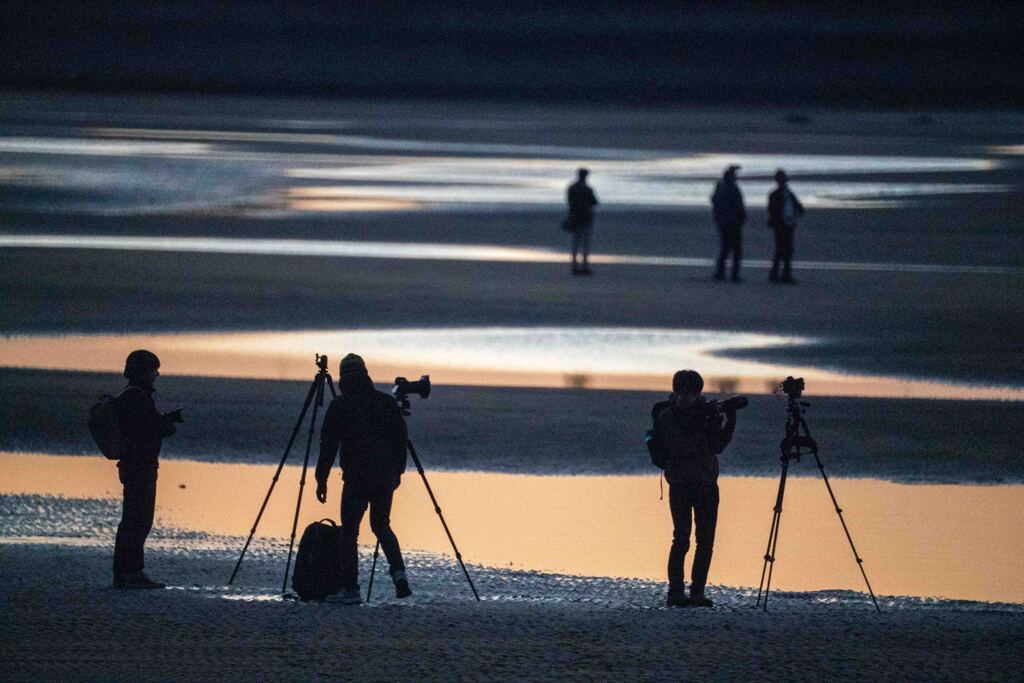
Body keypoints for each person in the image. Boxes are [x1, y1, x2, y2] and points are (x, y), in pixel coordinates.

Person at [316, 353, 411, 605]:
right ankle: (399, 575)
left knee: (349, 532)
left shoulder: (340, 406)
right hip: (384, 477)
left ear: (343, 379)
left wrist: (321, 478)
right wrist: (397, 473)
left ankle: (351, 589)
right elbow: (401, 442)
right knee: (381, 525)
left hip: (357, 478)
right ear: (366, 374)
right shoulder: (387, 403)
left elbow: (328, 445)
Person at [653, 369, 737, 607]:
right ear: (675, 392)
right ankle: (676, 592)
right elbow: (669, 447)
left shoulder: (707, 414)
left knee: (705, 541)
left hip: (706, 484)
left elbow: (717, 446)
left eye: (690, 393)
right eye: (681, 392)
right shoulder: (667, 417)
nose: (685, 397)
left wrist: (729, 420)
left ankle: (697, 592)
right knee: (681, 539)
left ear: (697, 392)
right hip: (680, 484)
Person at [113, 349, 182, 589]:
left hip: (134, 464)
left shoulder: (132, 394)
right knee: (139, 521)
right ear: (143, 372)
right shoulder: (136, 397)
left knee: (132, 520)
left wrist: (161, 420)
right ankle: (132, 574)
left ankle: (125, 573)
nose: (157, 374)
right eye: (154, 370)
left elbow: (142, 426)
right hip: (140, 465)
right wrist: (167, 425)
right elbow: (146, 430)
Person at [767, 169, 804, 284]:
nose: (785, 182)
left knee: (786, 250)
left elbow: (797, 205)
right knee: (782, 250)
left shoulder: (787, 193)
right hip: (781, 225)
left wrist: (798, 211)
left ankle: (783, 274)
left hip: (788, 224)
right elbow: (772, 210)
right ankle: (778, 274)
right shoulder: (776, 194)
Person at [711, 164, 747, 282]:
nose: (736, 177)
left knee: (725, 248)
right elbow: (738, 205)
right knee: (735, 249)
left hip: (724, 222)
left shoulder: (720, 187)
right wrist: (742, 216)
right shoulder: (731, 188)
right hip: (732, 222)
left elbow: (714, 201)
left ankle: (721, 273)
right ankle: (733, 274)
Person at [566, 167, 599, 275]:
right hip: (586, 218)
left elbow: (569, 202)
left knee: (576, 243)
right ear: (586, 176)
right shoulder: (588, 189)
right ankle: (584, 266)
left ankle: (575, 267)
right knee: (585, 244)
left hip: (575, 217)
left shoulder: (572, 188)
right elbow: (594, 202)